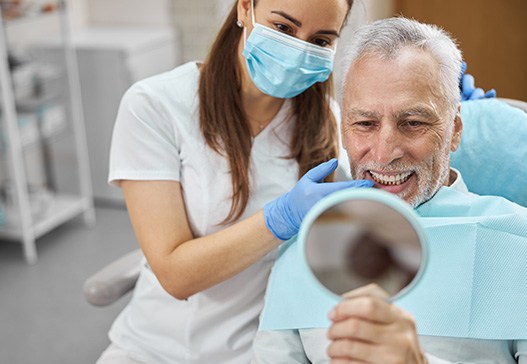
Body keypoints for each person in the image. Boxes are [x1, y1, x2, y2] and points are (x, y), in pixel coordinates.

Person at [96, 0, 377, 363]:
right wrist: (280, 219)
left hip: (262, 351)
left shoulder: (328, 123)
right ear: (245, 8)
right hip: (156, 348)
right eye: (283, 28)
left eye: (321, 41)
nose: (298, 50)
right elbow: (175, 275)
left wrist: (444, 117)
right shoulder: (155, 106)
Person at [252, 17, 527, 364]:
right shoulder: (304, 246)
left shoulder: (519, 243)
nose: (384, 154)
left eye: (413, 123)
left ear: (454, 130)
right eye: (365, 124)